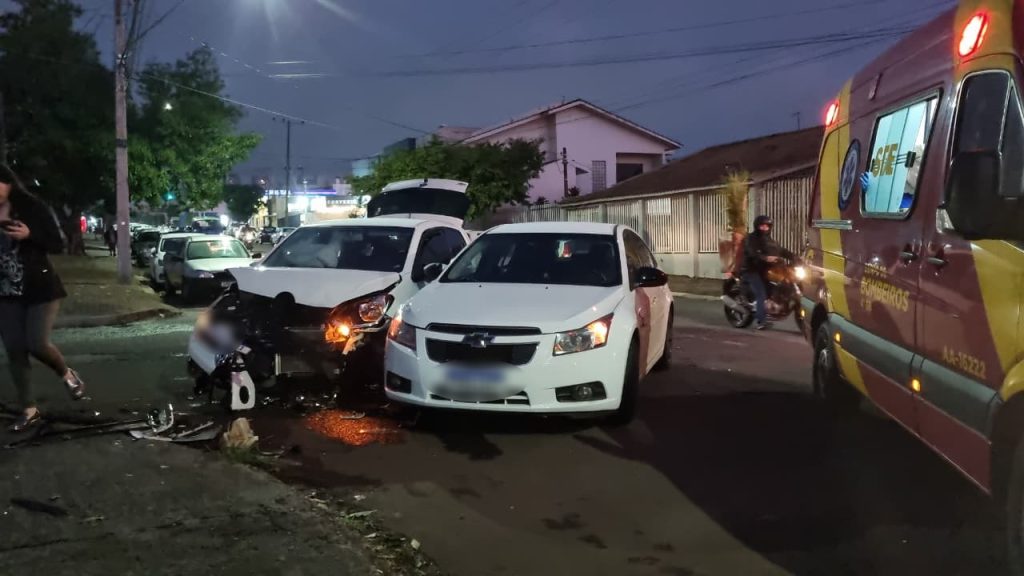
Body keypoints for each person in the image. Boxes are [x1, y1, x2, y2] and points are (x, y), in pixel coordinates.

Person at [0, 165, 86, 432]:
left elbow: (56, 244)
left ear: (8, 183)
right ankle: (29, 409)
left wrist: (29, 235)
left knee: (37, 343)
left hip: (39, 287)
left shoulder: (32, 208)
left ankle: (66, 373)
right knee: (15, 348)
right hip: (5, 291)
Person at [740, 215, 795, 330]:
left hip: (765, 271)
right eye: (762, 226)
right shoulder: (751, 239)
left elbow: (781, 251)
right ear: (757, 226)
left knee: (780, 285)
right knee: (761, 293)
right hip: (751, 270)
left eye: (767, 226)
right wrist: (764, 258)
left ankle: (773, 307)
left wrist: (796, 258)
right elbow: (751, 252)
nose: (765, 228)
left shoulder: (770, 241)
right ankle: (761, 321)